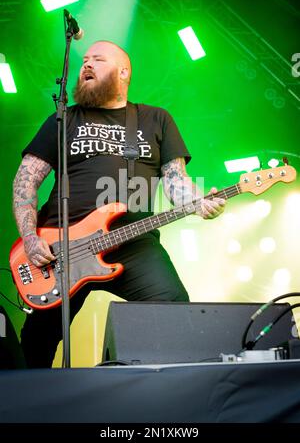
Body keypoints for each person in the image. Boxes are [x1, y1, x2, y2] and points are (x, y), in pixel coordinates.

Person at [13, 40, 226, 368]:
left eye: (98, 59)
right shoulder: (64, 119)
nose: (87, 64)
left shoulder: (155, 119)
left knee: (174, 312)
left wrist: (197, 202)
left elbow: (175, 181)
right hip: (62, 248)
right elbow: (25, 181)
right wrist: (29, 237)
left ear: (123, 71)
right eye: (85, 59)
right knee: (37, 340)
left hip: (134, 242)